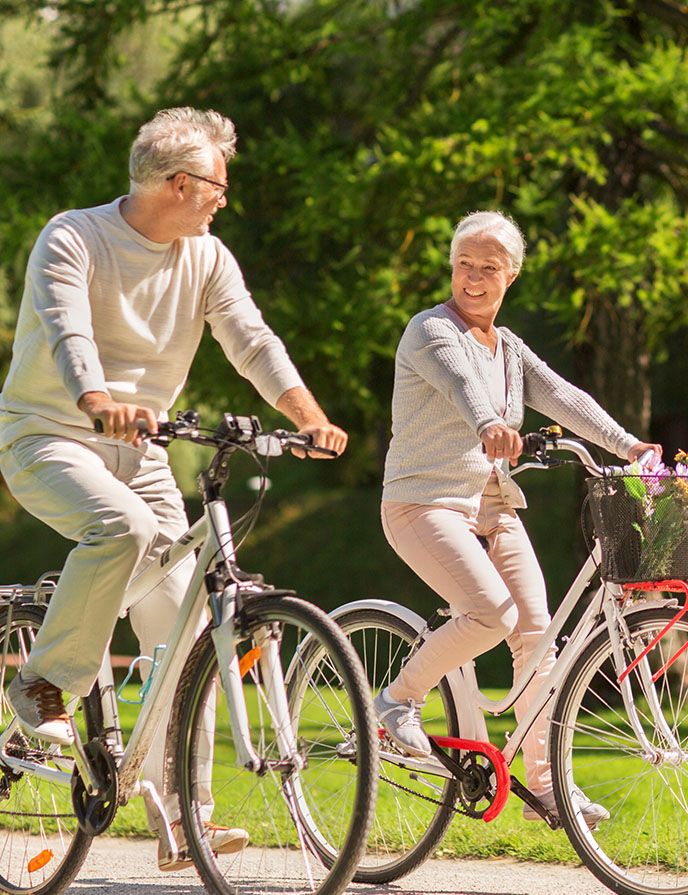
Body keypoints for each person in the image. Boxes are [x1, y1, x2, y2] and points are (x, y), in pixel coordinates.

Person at [0, 107, 347, 869]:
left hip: (146, 452)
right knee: (119, 528)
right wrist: (97, 400)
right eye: (219, 184)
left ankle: (182, 819)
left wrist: (308, 416)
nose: (225, 198)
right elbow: (68, 332)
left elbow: (251, 339)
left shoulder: (208, 257)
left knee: (186, 626)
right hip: (49, 437)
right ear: (180, 182)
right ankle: (42, 683)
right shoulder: (74, 235)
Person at [375, 210, 661, 825]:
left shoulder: (509, 349)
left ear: (512, 278)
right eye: (463, 265)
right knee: (490, 614)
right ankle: (398, 699)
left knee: (537, 634)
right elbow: (461, 387)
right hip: (422, 502)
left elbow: (563, 396)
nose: (472, 279)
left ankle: (546, 786)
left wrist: (630, 446)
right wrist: (491, 426)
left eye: (488, 269)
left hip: (490, 505)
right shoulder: (430, 331)